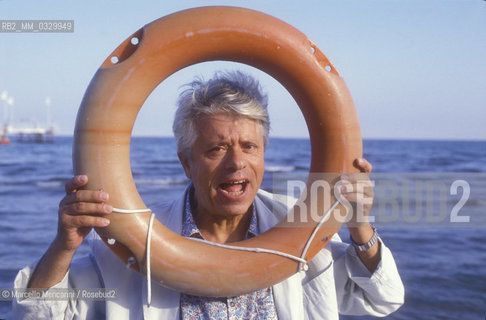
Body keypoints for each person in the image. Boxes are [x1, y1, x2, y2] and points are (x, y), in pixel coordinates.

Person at [13, 71, 404, 319]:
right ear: (186, 162)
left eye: (249, 147)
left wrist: (360, 229)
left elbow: (382, 301)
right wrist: (64, 245)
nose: (237, 163)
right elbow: (37, 315)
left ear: (264, 154)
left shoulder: (302, 232)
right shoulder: (129, 246)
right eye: (216, 149)